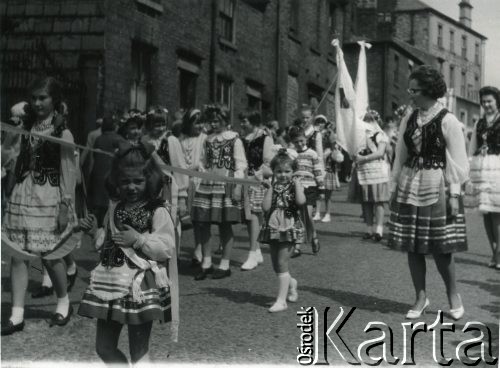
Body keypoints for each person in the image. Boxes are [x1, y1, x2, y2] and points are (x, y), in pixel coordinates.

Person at [78, 146, 178, 364]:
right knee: (104, 348)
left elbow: (167, 248)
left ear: (149, 179)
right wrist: (94, 232)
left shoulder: (157, 211)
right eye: (125, 181)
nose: (131, 187)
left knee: (139, 351)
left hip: (139, 287)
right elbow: (106, 247)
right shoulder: (114, 209)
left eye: (137, 181)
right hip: (110, 284)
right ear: (116, 181)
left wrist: (139, 239)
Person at [388, 65, 469, 320]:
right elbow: (399, 157)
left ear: (429, 91)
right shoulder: (408, 118)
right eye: (409, 90)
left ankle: (453, 294)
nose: (410, 95)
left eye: (415, 90)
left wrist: (455, 196)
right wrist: (394, 187)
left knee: (441, 248)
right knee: (413, 246)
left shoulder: (448, 120)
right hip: (411, 183)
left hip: (438, 185)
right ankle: (420, 297)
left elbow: (458, 163)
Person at [2, 77, 77, 335]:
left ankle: (64, 301)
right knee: (18, 255)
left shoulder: (62, 132)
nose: (37, 103)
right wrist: (11, 139)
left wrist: (66, 207)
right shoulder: (25, 128)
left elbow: (69, 170)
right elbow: (8, 158)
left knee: (51, 255)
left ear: (54, 100)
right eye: (33, 98)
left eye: (42, 98)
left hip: (49, 198)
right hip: (23, 195)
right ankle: (17, 314)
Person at [191, 104, 247, 280]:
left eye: (217, 120)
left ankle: (225, 264)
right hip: (208, 182)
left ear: (224, 120)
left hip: (226, 184)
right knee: (203, 223)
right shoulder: (208, 139)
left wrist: (238, 186)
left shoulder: (234, 139)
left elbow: (241, 164)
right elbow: (202, 162)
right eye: (211, 121)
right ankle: (206, 262)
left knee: (225, 224)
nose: (214, 124)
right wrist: (199, 178)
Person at [258, 149, 304, 312]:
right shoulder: (272, 185)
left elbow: (300, 202)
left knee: (281, 262)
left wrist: (298, 183)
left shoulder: (294, 185)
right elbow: (265, 207)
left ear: (293, 171)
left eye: (287, 171)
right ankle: (292, 284)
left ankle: (281, 301)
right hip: (273, 226)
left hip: (289, 226)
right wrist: (269, 188)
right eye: (279, 171)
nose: (283, 174)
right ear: (274, 171)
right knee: (276, 266)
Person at [465, 86, 500, 269]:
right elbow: (472, 147)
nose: (486, 105)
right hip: (481, 169)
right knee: (486, 212)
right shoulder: (479, 123)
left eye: (490, 101)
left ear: (497, 102)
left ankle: (499, 254)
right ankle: (494, 251)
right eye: (484, 101)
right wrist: (469, 166)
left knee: (497, 213)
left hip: (497, 169)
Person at [239, 110, 273, 270]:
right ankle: (257, 250)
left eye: (244, 121)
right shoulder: (243, 138)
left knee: (254, 215)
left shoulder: (265, 138)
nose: (242, 124)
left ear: (253, 121)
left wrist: (256, 177)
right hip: (245, 180)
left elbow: (268, 163)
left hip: (258, 181)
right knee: (248, 217)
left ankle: (252, 253)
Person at [288, 126, 324, 257]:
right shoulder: (291, 154)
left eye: (301, 140)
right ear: (292, 141)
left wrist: (321, 188)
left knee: (307, 216)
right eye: (296, 141)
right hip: (296, 188)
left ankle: (314, 237)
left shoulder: (312, 154)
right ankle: (297, 246)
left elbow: (318, 171)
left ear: (306, 139)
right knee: (297, 216)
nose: (299, 143)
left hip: (310, 187)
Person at [355, 110, 390, 241]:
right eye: (366, 121)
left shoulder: (380, 135)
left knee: (379, 201)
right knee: (367, 202)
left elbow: (380, 153)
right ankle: (369, 229)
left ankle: (379, 230)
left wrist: (363, 158)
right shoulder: (360, 136)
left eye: (371, 121)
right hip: (364, 172)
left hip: (378, 171)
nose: (368, 123)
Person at [180, 108, 208, 266]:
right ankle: (192, 248)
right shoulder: (182, 140)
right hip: (184, 181)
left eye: (201, 123)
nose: (199, 126)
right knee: (187, 217)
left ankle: (201, 249)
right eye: (196, 123)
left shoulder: (205, 139)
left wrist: (195, 167)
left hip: (199, 182)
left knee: (200, 219)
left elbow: (204, 161)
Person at [321, 131, 344, 222]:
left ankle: (327, 213)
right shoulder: (324, 149)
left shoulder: (335, 151)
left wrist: (335, 150)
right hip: (321, 173)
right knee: (320, 195)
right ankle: (318, 212)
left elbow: (340, 159)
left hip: (329, 173)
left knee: (327, 196)